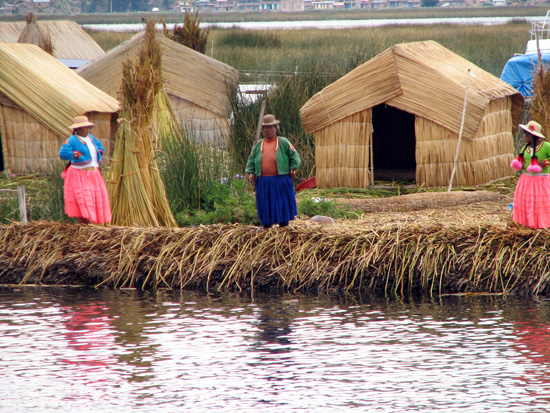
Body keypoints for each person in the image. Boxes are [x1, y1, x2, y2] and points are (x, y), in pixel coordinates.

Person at [246, 114, 301, 229]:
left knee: (282, 204)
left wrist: (292, 173)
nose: (269, 130)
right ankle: (267, 229)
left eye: (271, 127)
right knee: (266, 206)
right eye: (266, 128)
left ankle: (283, 228)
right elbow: (250, 162)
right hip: (263, 182)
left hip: (281, 180)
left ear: (276, 129)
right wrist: (252, 177)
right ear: (263, 130)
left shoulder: (283, 142)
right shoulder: (258, 145)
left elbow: (295, 158)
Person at [59, 115, 111, 224]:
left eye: (87, 127)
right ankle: (83, 227)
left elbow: (100, 147)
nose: (86, 130)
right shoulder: (72, 140)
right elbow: (63, 153)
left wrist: (99, 152)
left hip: (94, 174)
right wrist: (76, 154)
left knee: (95, 200)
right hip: (79, 174)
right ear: (77, 129)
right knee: (83, 200)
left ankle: (94, 227)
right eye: (83, 128)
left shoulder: (91, 138)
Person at [510, 120, 550, 229]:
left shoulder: (546, 146)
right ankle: (526, 223)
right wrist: (522, 165)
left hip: (540, 181)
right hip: (526, 180)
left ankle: (541, 224)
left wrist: (544, 163)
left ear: (532, 136)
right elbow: (523, 163)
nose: (523, 136)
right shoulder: (525, 149)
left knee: (539, 203)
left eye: (526, 134)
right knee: (527, 202)